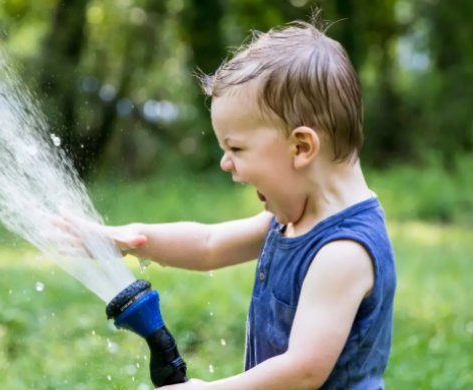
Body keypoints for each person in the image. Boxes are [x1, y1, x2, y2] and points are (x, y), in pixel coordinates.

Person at [56, 17, 396, 390]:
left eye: (236, 148)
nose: (225, 162)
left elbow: (304, 370)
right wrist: (132, 239)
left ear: (301, 147)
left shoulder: (342, 251)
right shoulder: (294, 220)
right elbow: (209, 244)